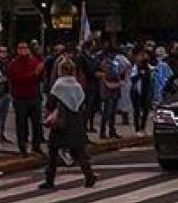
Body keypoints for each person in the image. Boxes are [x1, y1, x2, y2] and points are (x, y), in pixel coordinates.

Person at [41, 59, 97, 190]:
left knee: (53, 152)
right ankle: (89, 176)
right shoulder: (77, 85)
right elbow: (82, 102)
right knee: (79, 152)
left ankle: (50, 180)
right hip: (76, 121)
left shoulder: (58, 85)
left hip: (61, 122)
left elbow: (50, 103)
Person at [7, 42, 46, 156]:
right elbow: (17, 78)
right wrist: (34, 74)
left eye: (25, 48)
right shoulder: (13, 64)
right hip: (20, 98)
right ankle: (22, 147)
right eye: (21, 48)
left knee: (37, 124)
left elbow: (40, 78)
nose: (23, 50)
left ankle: (36, 145)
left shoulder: (34, 62)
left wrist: (39, 73)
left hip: (34, 96)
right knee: (21, 124)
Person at [98, 43, 129, 139]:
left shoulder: (114, 63)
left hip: (115, 89)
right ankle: (102, 131)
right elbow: (109, 75)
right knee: (107, 111)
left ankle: (112, 130)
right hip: (108, 89)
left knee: (113, 112)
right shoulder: (105, 63)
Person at [0, 45, 12, 144]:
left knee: (3, 115)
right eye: (1, 51)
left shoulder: (9, 64)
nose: (3, 54)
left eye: (5, 51)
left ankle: (1, 134)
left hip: (6, 92)